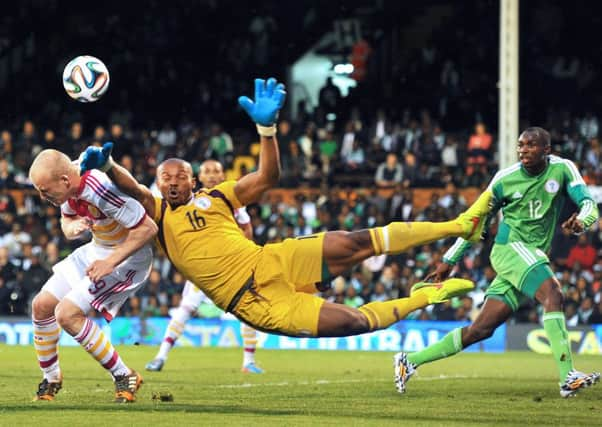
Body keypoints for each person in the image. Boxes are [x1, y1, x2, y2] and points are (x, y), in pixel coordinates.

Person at [79, 77, 491, 343]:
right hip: (253, 302)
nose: (170, 181)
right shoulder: (158, 216)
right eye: (164, 176)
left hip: (271, 260)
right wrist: (110, 166)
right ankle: (423, 297)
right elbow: (131, 186)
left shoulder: (219, 195)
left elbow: (267, 178)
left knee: (357, 241)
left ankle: (459, 225)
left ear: (192, 179)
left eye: (178, 175)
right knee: (354, 323)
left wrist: (267, 130)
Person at [394, 127, 600, 398]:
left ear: (547, 150)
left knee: (481, 329)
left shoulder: (563, 169)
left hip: (530, 255)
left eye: (531, 145)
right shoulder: (504, 180)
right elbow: (474, 220)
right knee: (553, 292)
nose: (523, 150)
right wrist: (449, 259)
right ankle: (567, 377)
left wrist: (582, 222)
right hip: (510, 248)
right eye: (520, 145)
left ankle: (408, 361)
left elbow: (588, 203)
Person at [28, 149, 158, 403]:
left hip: (127, 258)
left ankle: (124, 375)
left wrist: (109, 262)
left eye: (45, 191)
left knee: (66, 313)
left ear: (65, 180)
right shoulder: (66, 185)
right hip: (97, 250)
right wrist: (71, 227)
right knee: (41, 306)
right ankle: (51, 377)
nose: (43, 197)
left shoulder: (98, 189)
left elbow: (148, 228)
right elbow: (67, 222)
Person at [145, 159, 264, 373]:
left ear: (222, 176)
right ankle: (160, 356)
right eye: (207, 171)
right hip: (202, 269)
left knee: (247, 309)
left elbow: (246, 228)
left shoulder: (230, 199)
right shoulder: (187, 200)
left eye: (216, 171)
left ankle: (249, 362)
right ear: (197, 179)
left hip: (230, 267)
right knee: (186, 308)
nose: (211, 175)